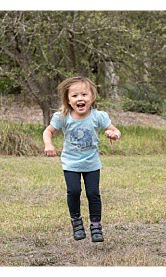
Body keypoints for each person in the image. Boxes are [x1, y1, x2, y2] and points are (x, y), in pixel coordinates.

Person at [43, 76, 121, 242]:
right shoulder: (62, 116)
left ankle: (95, 225)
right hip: (70, 162)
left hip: (91, 163)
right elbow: (47, 131)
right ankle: (76, 222)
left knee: (93, 193)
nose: (80, 99)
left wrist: (113, 134)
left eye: (84, 95)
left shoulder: (98, 116)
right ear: (68, 100)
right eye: (75, 96)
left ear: (91, 97)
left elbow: (115, 130)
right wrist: (48, 145)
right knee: (74, 191)